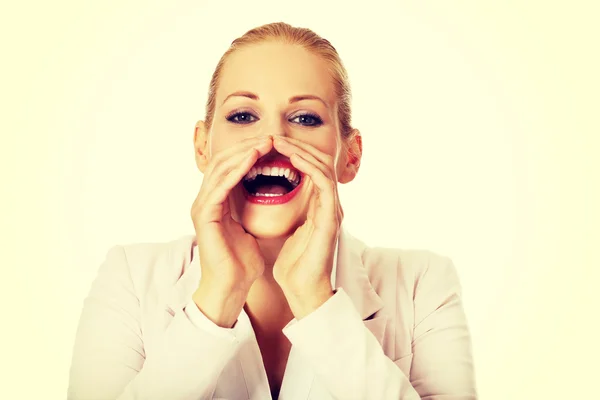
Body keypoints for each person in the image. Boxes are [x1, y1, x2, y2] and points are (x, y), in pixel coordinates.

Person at [67, 22, 477, 400]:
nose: (273, 139)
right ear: (202, 147)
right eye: (243, 115)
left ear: (349, 157)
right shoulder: (130, 279)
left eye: (305, 118)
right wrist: (215, 300)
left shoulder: (423, 285)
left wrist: (317, 303)